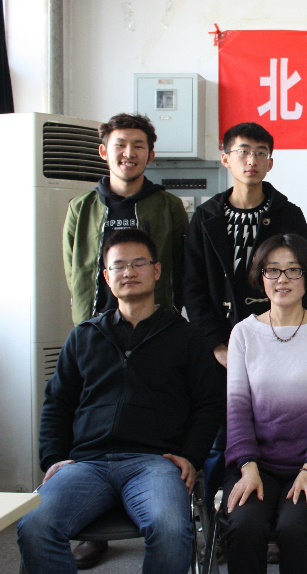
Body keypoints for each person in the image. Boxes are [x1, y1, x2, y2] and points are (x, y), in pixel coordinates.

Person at [18, 228, 224, 574]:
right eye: (119, 266)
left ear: (156, 271)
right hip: (87, 464)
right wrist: (53, 458)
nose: (129, 272)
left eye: (138, 263)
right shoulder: (84, 337)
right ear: (106, 277)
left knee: (171, 530)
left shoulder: (186, 337)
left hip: (154, 463)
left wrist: (191, 456)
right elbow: (57, 402)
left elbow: (209, 404)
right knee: (34, 525)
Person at [184, 122, 307, 509]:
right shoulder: (206, 217)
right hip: (220, 350)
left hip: (277, 345)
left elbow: (304, 276)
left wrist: (282, 335)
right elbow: (192, 288)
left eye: (260, 152)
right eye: (242, 151)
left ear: (270, 162)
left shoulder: (288, 215)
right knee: (221, 438)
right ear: (226, 159)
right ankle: (219, 523)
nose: (251, 160)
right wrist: (217, 345)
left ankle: (268, 519)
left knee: (274, 431)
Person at [223, 233, 307, 574]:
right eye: (272, 270)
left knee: (294, 529)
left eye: (293, 270)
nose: (282, 279)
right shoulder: (243, 333)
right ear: (260, 277)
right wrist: (247, 466)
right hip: (254, 465)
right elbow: (237, 409)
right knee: (244, 527)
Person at [64, 113, 187, 328]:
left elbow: (182, 267)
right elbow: (72, 271)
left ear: (150, 155)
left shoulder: (170, 207)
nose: (129, 153)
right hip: (94, 327)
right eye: (120, 145)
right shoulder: (80, 208)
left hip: (156, 328)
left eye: (138, 146)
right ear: (103, 151)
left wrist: (172, 310)